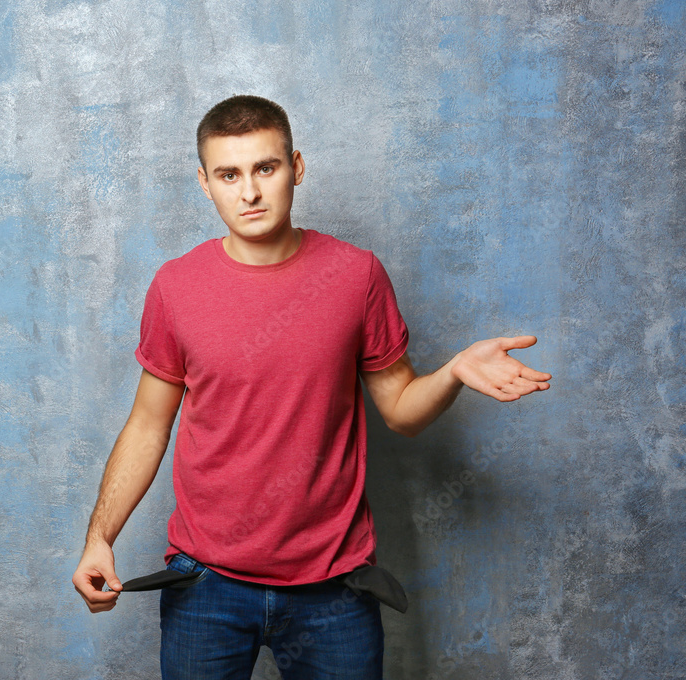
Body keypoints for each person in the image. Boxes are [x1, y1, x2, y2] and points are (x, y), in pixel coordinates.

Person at [71, 95, 551, 679]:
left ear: (295, 167)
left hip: (334, 587)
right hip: (206, 584)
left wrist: (452, 371)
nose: (249, 192)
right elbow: (148, 425)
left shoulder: (356, 275)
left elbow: (401, 410)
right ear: (205, 183)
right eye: (229, 174)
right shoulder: (175, 287)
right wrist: (100, 537)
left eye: (265, 168)